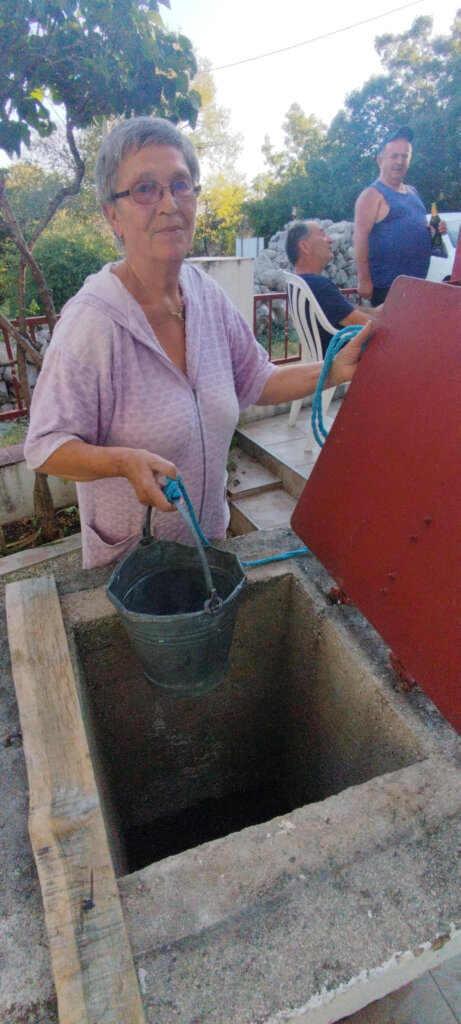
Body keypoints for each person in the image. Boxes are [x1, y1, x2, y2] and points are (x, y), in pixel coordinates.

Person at [25, 116, 371, 569]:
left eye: (180, 185)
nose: (169, 204)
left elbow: (257, 379)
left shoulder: (205, 295)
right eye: (145, 189)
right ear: (113, 215)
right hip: (134, 570)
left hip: (210, 549)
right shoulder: (93, 321)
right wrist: (123, 462)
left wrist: (334, 369)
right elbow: (45, 446)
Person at [354, 126, 446, 306]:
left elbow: (419, 229)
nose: (399, 161)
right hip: (387, 289)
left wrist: (436, 229)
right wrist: (364, 280)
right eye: (394, 156)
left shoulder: (413, 192)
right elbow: (359, 238)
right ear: (380, 161)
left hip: (416, 286)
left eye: (405, 156)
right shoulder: (372, 195)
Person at [285, 220, 381, 355]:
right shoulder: (319, 286)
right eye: (322, 235)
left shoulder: (303, 283)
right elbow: (371, 326)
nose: (330, 240)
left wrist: (378, 311)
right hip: (346, 361)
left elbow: (345, 311)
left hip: (328, 357)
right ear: (304, 246)